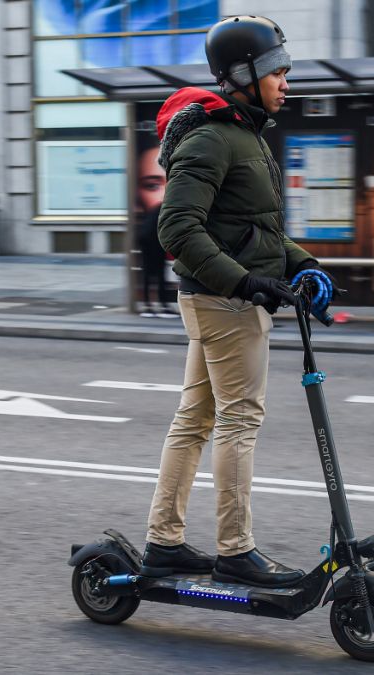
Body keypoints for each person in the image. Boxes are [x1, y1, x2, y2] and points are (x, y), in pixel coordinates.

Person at [140, 15, 336, 588]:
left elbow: (255, 230)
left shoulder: (242, 132)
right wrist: (246, 283)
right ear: (244, 74)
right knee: (238, 420)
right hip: (225, 304)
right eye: (278, 70)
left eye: (286, 70)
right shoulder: (212, 137)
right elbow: (177, 228)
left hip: (220, 298)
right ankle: (235, 549)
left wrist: (304, 265)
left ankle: (164, 542)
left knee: (196, 419)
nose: (286, 81)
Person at [135, 139, 175, 318]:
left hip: (151, 240)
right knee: (156, 274)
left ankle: (152, 306)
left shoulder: (160, 207)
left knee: (151, 274)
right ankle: (156, 306)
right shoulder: (164, 207)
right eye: (152, 185)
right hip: (152, 242)